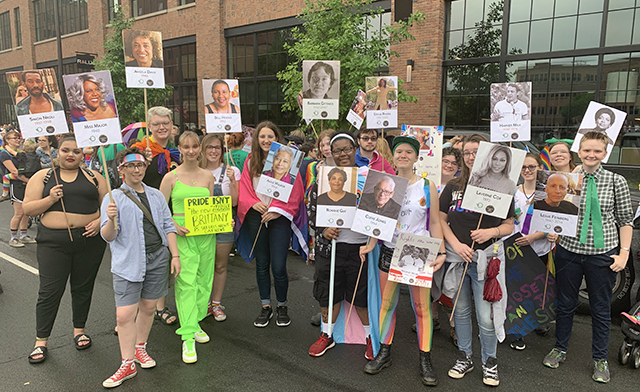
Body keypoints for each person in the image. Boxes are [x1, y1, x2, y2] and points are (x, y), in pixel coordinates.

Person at [542, 131, 633, 383]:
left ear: (605, 154)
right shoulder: (567, 179)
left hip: (601, 254)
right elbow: (556, 210)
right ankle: (560, 348)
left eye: (597, 151)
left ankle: (600, 358)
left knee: (601, 308)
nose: (591, 155)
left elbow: (626, 221)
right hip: (569, 251)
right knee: (565, 303)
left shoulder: (617, 181)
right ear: (578, 152)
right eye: (587, 150)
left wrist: (623, 254)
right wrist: (552, 229)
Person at [360, 134, 447, 385]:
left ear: (416, 157)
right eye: (399, 152)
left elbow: (433, 222)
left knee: (422, 308)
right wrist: (370, 245)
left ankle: (425, 358)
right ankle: (384, 352)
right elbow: (378, 220)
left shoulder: (427, 186)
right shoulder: (385, 183)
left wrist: (441, 252)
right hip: (389, 250)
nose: (403, 156)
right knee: (387, 305)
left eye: (409, 152)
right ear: (393, 157)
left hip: (418, 251)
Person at [23, 134, 108, 364]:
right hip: (53, 243)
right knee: (50, 291)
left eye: (76, 151)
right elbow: (28, 209)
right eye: (66, 150)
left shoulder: (94, 177)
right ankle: (41, 340)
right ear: (57, 151)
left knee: (83, 287)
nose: (71, 155)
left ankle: (79, 330)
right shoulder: (44, 176)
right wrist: (50, 199)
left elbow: (111, 206)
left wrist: (100, 220)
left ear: (83, 154)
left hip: (89, 241)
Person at [100, 148, 181, 388]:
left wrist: (174, 255)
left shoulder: (156, 195)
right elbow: (108, 236)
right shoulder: (113, 198)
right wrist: (110, 218)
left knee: (148, 308)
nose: (137, 169)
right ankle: (127, 364)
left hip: (157, 258)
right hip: (129, 262)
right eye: (131, 165)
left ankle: (140, 349)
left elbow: (168, 225)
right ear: (121, 169)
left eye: (141, 165)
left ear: (146, 167)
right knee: (124, 315)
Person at [439, 133, 515, 386]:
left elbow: (509, 225)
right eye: (468, 152)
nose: (472, 156)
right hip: (458, 257)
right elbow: (441, 219)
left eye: (477, 151)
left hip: (485, 260)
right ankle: (465, 356)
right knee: (460, 311)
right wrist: (456, 244)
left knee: (486, 316)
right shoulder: (453, 186)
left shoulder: (502, 188)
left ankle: (489, 361)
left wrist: (491, 232)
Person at [308, 131, 374, 359]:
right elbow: (312, 212)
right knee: (328, 293)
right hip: (332, 248)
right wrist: (322, 230)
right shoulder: (323, 178)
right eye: (338, 150)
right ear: (331, 153)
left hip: (360, 249)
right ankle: (327, 335)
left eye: (347, 149)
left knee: (361, 296)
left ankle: (369, 337)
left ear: (355, 149)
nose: (343, 154)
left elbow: (381, 212)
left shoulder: (369, 177)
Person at [237, 121, 304, 327]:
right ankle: (265, 306)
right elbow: (245, 189)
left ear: (277, 139)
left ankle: (282, 305)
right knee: (262, 264)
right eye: (262, 136)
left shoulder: (289, 160)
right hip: (257, 215)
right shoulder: (251, 160)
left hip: (279, 217)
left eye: (270, 137)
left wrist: (276, 210)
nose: (266, 140)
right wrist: (254, 203)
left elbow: (296, 192)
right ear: (257, 139)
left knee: (279, 265)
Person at [159, 131, 216, 364]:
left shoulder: (208, 176)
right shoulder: (170, 178)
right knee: (186, 283)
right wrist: (174, 224)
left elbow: (212, 206)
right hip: (182, 236)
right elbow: (161, 211)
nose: (191, 150)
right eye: (186, 147)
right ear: (179, 148)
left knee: (204, 282)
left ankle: (195, 322)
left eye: (195, 146)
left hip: (206, 236)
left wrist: (223, 220)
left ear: (200, 148)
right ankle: (187, 337)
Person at [131, 107, 180, 325]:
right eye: (157, 124)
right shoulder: (138, 149)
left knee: (163, 262)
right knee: (138, 264)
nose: (162, 127)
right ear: (149, 126)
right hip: (142, 215)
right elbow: (126, 180)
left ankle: (160, 307)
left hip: (167, 215)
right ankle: (130, 311)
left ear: (171, 125)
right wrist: (143, 162)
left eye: (166, 123)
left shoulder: (173, 153)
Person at [508, 153, 555, 351]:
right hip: (515, 248)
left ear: (540, 168)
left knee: (536, 289)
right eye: (524, 167)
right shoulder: (512, 192)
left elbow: (555, 224)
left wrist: (537, 236)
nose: (527, 170)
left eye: (532, 167)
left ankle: (537, 320)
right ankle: (517, 331)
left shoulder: (547, 194)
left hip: (538, 248)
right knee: (517, 292)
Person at [200, 134, 240, 322]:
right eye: (210, 147)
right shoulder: (196, 171)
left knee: (220, 265)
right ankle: (202, 303)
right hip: (200, 225)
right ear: (203, 149)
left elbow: (234, 201)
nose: (214, 151)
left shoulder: (232, 171)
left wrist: (233, 181)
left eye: (217, 147)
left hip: (224, 224)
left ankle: (216, 304)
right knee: (202, 266)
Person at [0, 131, 34, 246]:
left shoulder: (19, 152)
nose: (18, 140)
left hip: (24, 183)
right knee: (19, 213)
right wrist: (29, 181)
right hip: (16, 184)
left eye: (19, 138)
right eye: (14, 138)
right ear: (7, 140)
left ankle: (23, 235)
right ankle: (13, 238)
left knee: (26, 212)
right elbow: (14, 171)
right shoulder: (4, 154)